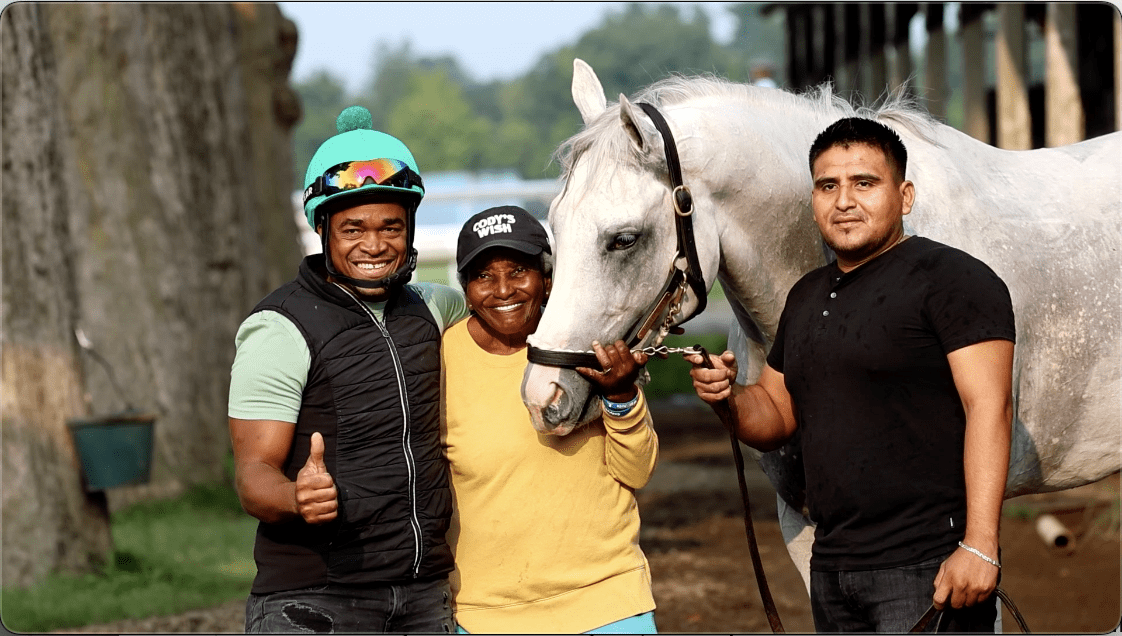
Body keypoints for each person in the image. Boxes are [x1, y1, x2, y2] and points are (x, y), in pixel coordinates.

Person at [688, 117, 1015, 632]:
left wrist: (981, 545)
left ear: (904, 195)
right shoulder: (806, 296)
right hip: (833, 565)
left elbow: (990, 408)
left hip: (928, 566)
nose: (844, 201)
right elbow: (774, 415)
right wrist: (724, 396)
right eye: (827, 186)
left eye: (865, 183)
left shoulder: (954, 280)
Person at [228, 106, 468, 633]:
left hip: (425, 593)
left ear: (409, 229)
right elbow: (251, 476)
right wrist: (295, 496)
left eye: (391, 227)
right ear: (322, 228)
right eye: (352, 228)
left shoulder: (437, 308)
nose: (374, 245)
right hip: (314, 598)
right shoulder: (278, 328)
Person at [441, 205, 660, 634]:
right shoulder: (440, 361)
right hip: (486, 618)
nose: (503, 289)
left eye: (519, 271)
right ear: (465, 290)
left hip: (608, 604)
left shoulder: (588, 345)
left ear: (548, 279)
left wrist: (620, 394)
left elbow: (637, 471)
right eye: (483, 276)